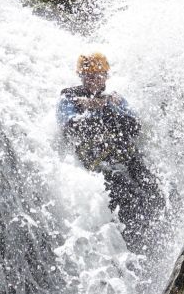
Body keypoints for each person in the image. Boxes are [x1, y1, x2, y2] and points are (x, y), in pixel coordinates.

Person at [57, 52, 163, 251]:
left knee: (156, 191)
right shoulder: (69, 98)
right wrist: (93, 110)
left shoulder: (115, 100)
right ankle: (136, 247)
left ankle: (159, 240)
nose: (94, 80)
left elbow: (134, 126)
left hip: (127, 158)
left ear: (106, 76)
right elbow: (70, 128)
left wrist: (105, 107)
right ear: (81, 76)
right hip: (98, 165)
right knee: (126, 196)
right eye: (89, 76)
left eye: (98, 75)